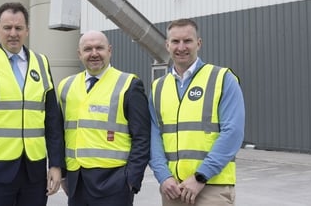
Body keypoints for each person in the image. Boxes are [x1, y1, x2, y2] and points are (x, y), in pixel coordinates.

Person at [0, 2, 64, 206]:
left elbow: (52, 119)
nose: (13, 33)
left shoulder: (41, 62)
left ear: (27, 30)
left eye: (19, 28)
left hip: (34, 172)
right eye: (7, 28)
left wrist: (56, 164)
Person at [148, 18, 245, 205]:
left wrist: (200, 177)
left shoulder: (222, 78)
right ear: (167, 45)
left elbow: (233, 133)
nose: (181, 47)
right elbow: (154, 136)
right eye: (175, 41)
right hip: (173, 189)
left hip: (211, 187)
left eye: (188, 41)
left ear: (198, 43)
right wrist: (163, 177)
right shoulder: (157, 87)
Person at [57, 30, 151, 206]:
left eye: (99, 48)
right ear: (79, 54)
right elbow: (59, 134)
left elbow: (142, 137)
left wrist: (131, 180)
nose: (94, 53)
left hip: (114, 182)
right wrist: (62, 173)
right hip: (76, 180)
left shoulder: (129, 84)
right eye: (88, 49)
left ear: (110, 50)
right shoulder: (66, 86)